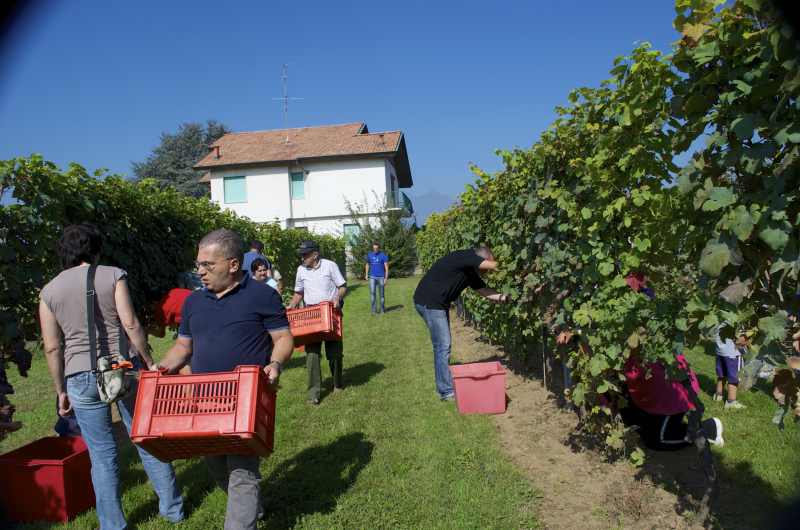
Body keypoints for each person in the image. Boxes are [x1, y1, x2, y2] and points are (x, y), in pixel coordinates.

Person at [38, 223, 184, 530]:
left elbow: (52, 347)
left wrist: (60, 389)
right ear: (95, 249)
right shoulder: (112, 274)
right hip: (121, 368)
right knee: (146, 439)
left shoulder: (48, 291)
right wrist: (146, 359)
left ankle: (113, 525)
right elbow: (129, 323)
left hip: (79, 376)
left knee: (102, 455)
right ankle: (172, 510)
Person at [157, 228, 294, 530]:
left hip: (246, 398)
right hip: (204, 398)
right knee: (217, 465)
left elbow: (284, 338)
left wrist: (275, 363)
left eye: (208, 265)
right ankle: (252, 509)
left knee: (242, 470)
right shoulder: (194, 303)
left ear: (233, 264)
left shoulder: (262, 295)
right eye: (198, 265)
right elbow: (183, 347)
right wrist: (162, 368)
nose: (201, 272)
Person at [413, 247, 510, 400]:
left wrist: (504, 298)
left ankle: (444, 385)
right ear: (480, 260)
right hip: (430, 302)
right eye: (485, 267)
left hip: (436, 303)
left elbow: (483, 290)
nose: (487, 273)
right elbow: (491, 265)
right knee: (443, 345)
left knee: (442, 345)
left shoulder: (470, 271)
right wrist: (510, 266)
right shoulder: (465, 256)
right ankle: (446, 391)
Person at [623, 353, 724, 450]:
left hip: (671, 398)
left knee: (657, 440)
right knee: (639, 425)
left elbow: (631, 375)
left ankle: (709, 428)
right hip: (655, 395)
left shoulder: (643, 352)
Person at [288, 240, 347, 405]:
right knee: (312, 356)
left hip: (330, 313)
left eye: (305, 255)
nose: (302, 258)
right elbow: (298, 292)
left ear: (315, 254)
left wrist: (337, 298)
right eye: (301, 255)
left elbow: (342, 286)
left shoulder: (330, 266)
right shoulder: (301, 270)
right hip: (311, 316)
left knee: (334, 353)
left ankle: (337, 384)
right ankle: (313, 393)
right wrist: (292, 305)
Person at [713, 325, 747, 410]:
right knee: (734, 377)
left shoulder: (721, 316)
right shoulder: (736, 318)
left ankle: (718, 395)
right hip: (733, 353)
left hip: (720, 351)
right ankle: (731, 401)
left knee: (722, 374)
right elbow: (740, 338)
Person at [365, 241, 389, 314]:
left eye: (376, 248)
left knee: (381, 294)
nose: (375, 250)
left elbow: (386, 267)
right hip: (372, 277)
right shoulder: (369, 255)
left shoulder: (383, 256)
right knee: (372, 293)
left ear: (379, 248)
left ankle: (382, 309)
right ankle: (373, 310)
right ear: (373, 248)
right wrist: (366, 274)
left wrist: (386, 278)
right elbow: (367, 265)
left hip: (381, 277)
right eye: (374, 248)